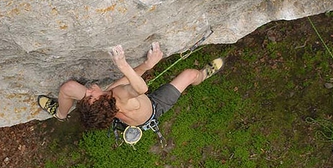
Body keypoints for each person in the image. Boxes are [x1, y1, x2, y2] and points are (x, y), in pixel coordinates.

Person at [38, 42, 223, 132]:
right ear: (102, 99)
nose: (88, 90)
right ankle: (203, 75)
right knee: (190, 74)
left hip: (130, 112)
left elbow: (127, 84)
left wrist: (148, 66)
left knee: (68, 88)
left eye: (86, 95)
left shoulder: (107, 100)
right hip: (154, 108)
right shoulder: (116, 95)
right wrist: (123, 65)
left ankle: (61, 115)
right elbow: (141, 89)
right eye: (90, 95)